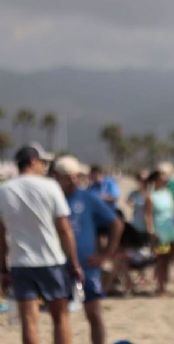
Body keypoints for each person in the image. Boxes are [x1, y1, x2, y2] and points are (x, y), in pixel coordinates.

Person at [0, 145, 84, 344]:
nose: (43, 167)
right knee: (61, 317)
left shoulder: (4, 190)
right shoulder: (50, 186)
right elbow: (64, 229)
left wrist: (2, 268)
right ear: (33, 162)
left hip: (21, 262)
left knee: (29, 321)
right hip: (51, 260)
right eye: (42, 163)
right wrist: (74, 262)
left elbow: (1, 234)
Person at [52, 155, 124, 344]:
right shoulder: (51, 198)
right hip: (58, 267)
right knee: (61, 318)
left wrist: (106, 254)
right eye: (68, 176)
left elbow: (116, 223)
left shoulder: (88, 198)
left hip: (87, 268)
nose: (73, 180)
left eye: (76, 176)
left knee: (93, 314)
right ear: (57, 176)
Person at [145, 170, 174, 295]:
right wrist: (151, 230)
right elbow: (147, 215)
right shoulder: (151, 196)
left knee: (170, 257)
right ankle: (161, 286)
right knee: (161, 259)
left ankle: (163, 282)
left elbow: (173, 211)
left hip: (171, 230)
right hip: (160, 231)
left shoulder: (168, 193)